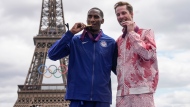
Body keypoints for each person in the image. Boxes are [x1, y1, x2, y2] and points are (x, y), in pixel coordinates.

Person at [48, 7, 117, 107]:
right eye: (90, 17)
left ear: (102, 21)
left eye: (96, 17)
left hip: (102, 98)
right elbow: (52, 55)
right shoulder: (75, 40)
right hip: (78, 98)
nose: (92, 19)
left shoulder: (111, 43)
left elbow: (118, 69)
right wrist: (70, 33)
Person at [114, 1, 159, 107]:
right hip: (122, 95)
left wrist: (132, 33)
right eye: (118, 14)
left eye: (124, 13)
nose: (121, 16)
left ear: (132, 14)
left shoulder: (147, 33)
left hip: (142, 92)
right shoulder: (119, 41)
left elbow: (147, 54)